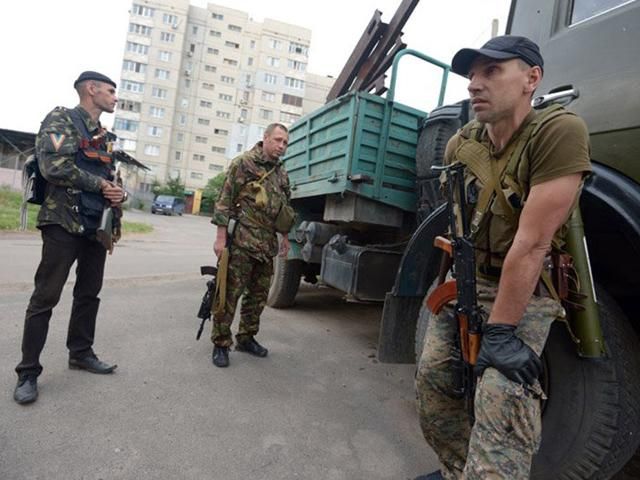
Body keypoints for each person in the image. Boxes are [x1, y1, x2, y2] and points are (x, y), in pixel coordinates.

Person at [414, 36, 591, 479]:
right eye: (472, 75)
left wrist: (501, 332)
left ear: (532, 78)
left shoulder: (558, 132)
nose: (475, 84)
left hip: (526, 289)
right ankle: (459, 471)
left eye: (491, 71)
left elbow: (532, 244)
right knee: (435, 387)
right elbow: (456, 218)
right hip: (469, 281)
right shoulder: (460, 144)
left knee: (501, 399)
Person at [13, 71, 125, 405]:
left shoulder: (103, 135)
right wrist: (101, 185)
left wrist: (118, 193)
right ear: (91, 90)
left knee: (89, 294)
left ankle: (80, 353)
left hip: (94, 226)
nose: (115, 97)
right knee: (45, 297)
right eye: (110, 91)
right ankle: (28, 372)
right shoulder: (61, 119)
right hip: (62, 222)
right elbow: (54, 168)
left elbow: (108, 175)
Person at [210, 123, 292, 368]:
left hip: (267, 245)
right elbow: (224, 201)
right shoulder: (243, 163)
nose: (281, 146)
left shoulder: (281, 173)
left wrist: (285, 237)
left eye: (285, 143)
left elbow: (284, 209)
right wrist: (220, 237)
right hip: (242, 242)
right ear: (265, 138)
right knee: (229, 294)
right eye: (278, 140)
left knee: (257, 297)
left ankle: (246, 338)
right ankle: (221, 343)